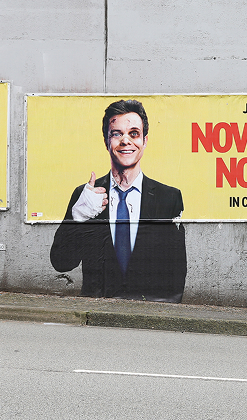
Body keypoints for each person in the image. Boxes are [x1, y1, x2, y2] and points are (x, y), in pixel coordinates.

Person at [50, 99, 187, 303]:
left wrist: (162, 313)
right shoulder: (86, 195)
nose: (125, 141)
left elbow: (176, 273)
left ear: (145, 141)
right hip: (97, 311)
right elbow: (61, 262)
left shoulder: (168, 198)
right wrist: (77, 218)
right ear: (106, 141)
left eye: (134, 133)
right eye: (116, 133)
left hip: (147, 312)